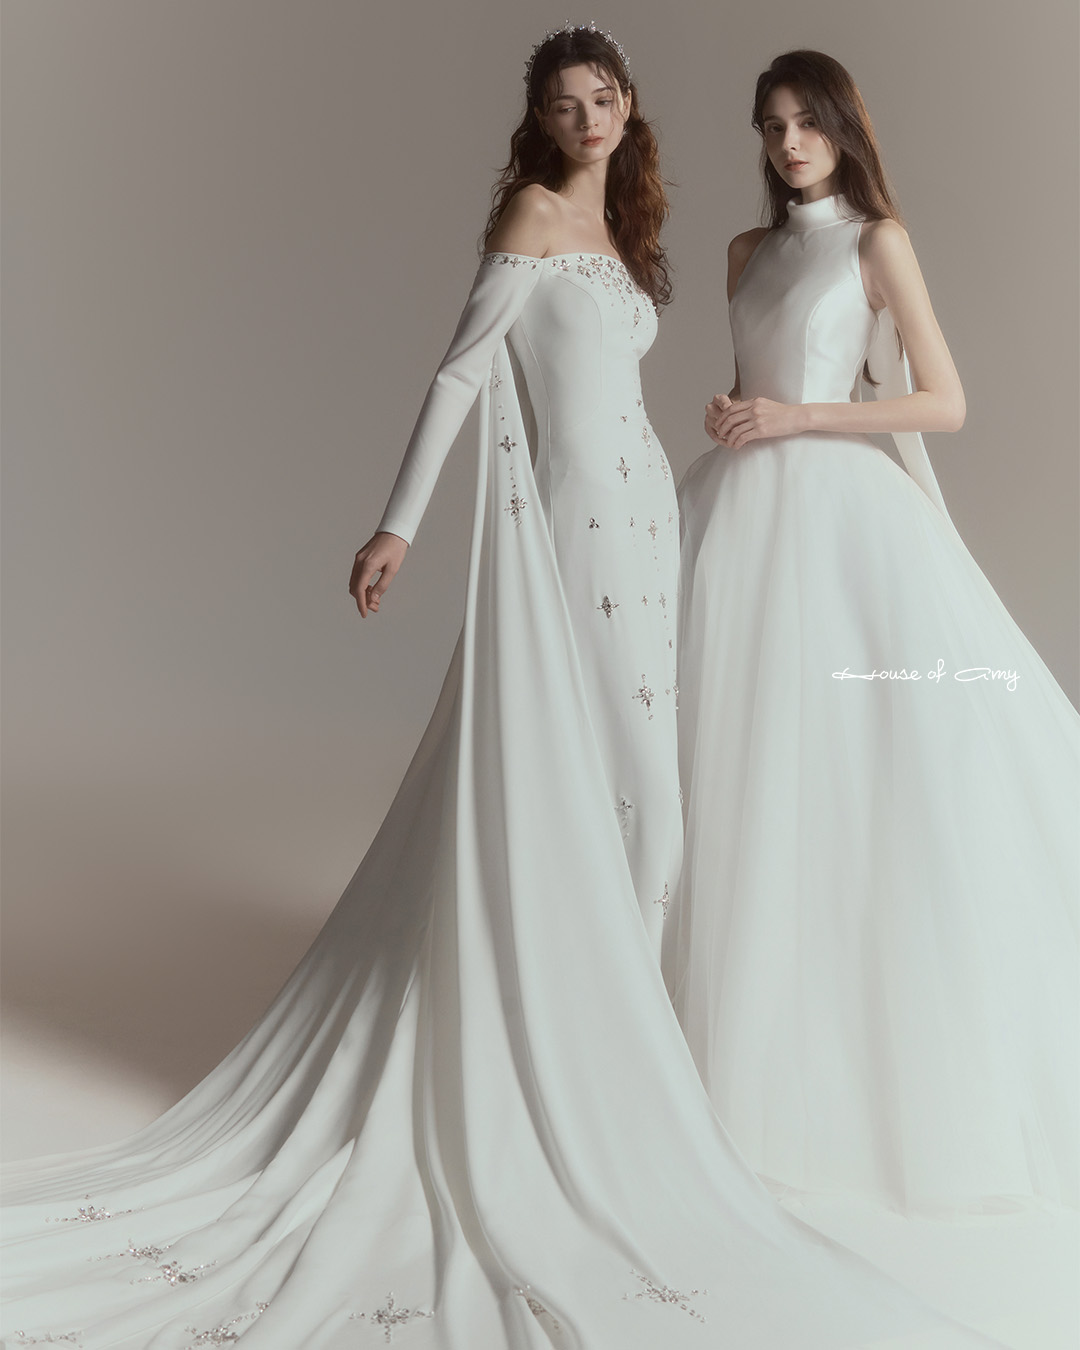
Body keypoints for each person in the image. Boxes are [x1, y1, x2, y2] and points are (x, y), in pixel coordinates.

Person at [0, 30, 1001, 1350]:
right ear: (539, 121)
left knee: (652, 807)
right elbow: (462, 370)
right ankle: (589, 1083)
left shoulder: (633, 233)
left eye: (604, 97)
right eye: (564, 103)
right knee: (623, 799)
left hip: (652, 522)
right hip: (576, 531)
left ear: (629, 109)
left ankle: (609, 1071)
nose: (588, 117)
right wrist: (398, 524)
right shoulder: (534, 214)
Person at [673, 48, 1079, 1217]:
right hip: (739, 514)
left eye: (808, 121)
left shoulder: (876, 241)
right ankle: (713, 1040)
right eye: (771, 125)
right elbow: (753, 379)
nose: (789, 142)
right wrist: (736, 411)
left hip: (838, 517)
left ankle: (850, 1049)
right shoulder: (744, 251)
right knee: (731, 759)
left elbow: (944, 401)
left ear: (845, 127)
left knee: (856, 769)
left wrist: (797, 414)